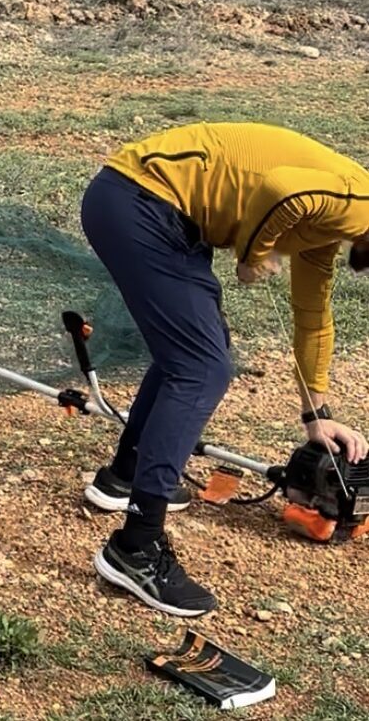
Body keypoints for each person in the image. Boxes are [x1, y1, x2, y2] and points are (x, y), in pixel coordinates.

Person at [78, 121, 369, 617]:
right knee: (202, 366)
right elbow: (283, 191)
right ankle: (137, 546)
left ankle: (125, 476)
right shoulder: (357, 201)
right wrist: (254, 255)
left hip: (144, 204)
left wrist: (314, 412)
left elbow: (313, 317)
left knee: (195, 353)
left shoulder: (334, 228)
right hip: (141, 200)